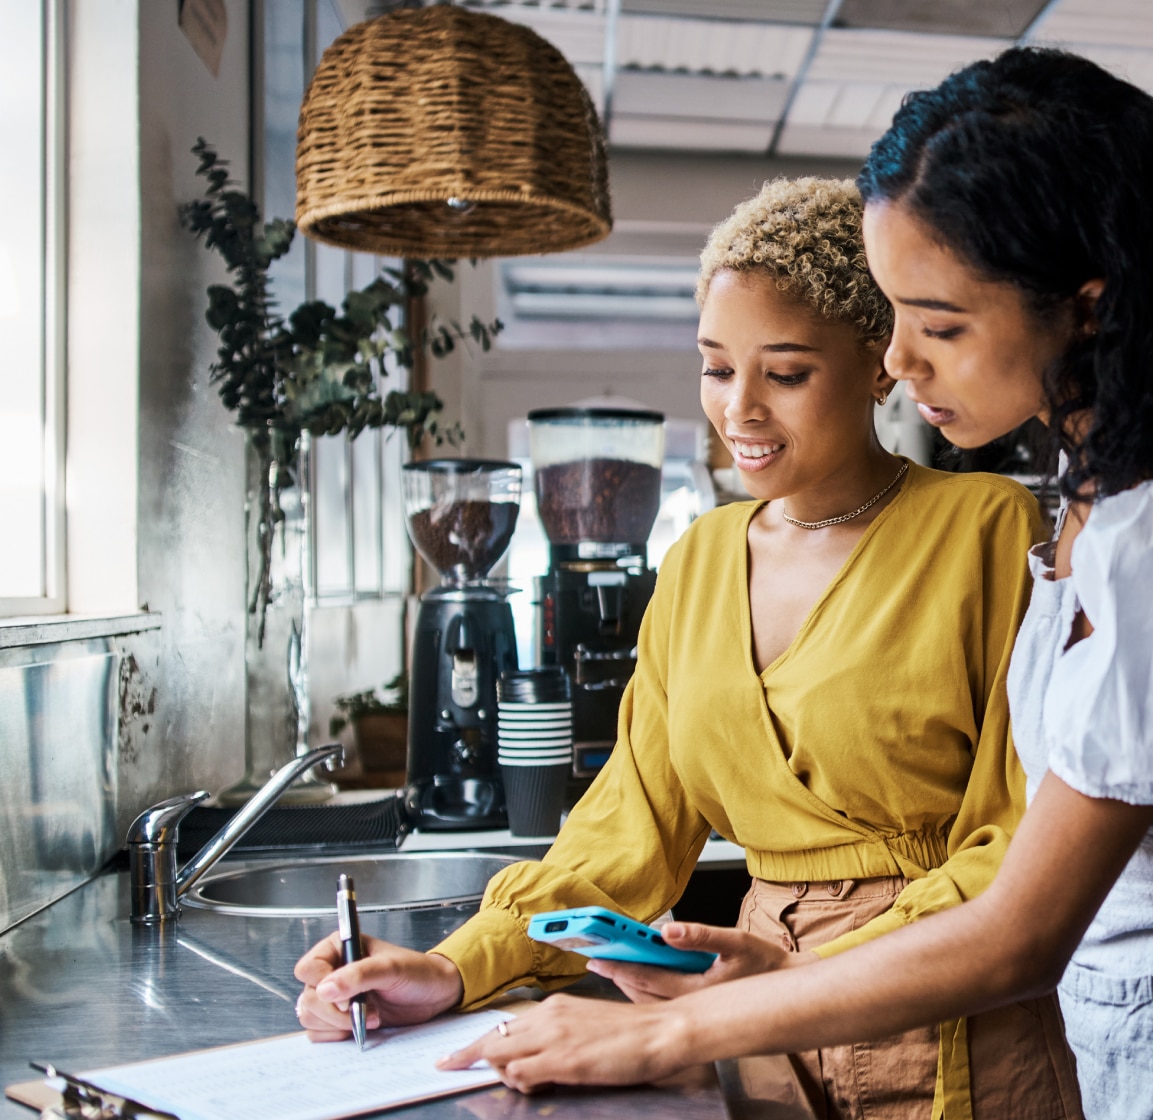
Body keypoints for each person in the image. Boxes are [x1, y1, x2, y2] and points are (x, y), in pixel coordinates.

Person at [443, 49, 1153, 1119]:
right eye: (890, 316)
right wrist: (774, 978)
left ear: (1088, 306)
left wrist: (669, 1028)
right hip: (1133, 1048)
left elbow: (1020, 931)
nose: (901, 363)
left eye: (940, 324)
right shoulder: (1106, 490)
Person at [294, 177, 1082, 1120]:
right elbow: (628, 825)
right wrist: (454, 966)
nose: (740, 409)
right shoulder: (702, 558)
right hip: (748, 1026)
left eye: (785, 374)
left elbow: (1019, 836)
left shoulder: (986, 528)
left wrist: (805, 971)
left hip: (945, 1013)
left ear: (884, 364)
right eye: (716, 368)